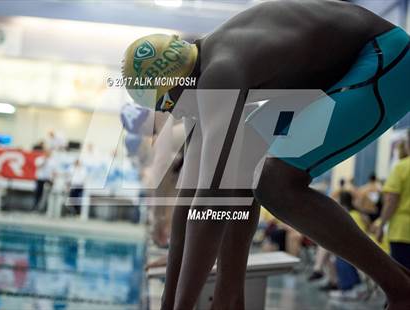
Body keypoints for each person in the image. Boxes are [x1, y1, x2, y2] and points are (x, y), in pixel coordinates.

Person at [122, 1, 410, 309]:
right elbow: (189, 197)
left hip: (385, 60)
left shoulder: (219, 74)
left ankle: (400, 288)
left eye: (166, 106)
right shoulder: (203, 72)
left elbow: (210, 200)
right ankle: (230, 299)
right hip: (340, 74)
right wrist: (171, 292)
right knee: (243, 159)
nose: (173, 114)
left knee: (275, 183)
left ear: (176, 86)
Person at [374, 132, 410, 270]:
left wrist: (381, 225)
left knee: (403, 276)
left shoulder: (401, 167)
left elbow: (391, 200)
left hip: (402, 231)